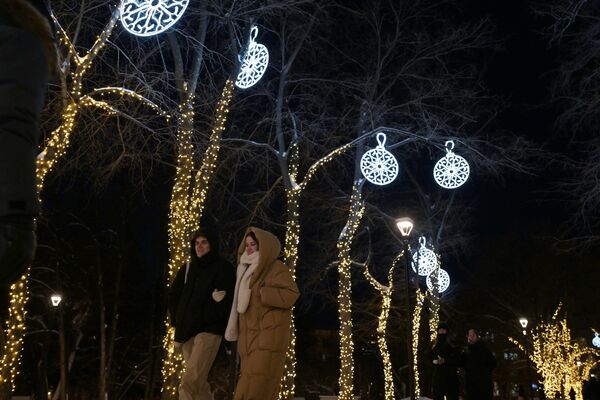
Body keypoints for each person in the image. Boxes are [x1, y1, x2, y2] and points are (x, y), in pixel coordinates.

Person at [0, 0, 55, 290]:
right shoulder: (20, 40)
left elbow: (12, 127)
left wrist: (16, 215)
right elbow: (14, 128)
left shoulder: (14, 39)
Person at [225, 227, 300, 400]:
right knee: (244, 391)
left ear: (264, 247)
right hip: (248, 339)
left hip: (269, 335)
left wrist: (263, 293)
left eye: (254, 245)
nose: (249, 248)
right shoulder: (244, 271)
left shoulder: (275, 267)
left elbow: (291, 293)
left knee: (257, 390)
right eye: (247, 245)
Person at [169, 228, 235, 400]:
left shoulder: (224, 268)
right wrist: (177, 319)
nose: (199, 246)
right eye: (196, 243)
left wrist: (202, 318)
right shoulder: (187, 269)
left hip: (209, 332)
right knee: (199, 385)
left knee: (188, 384)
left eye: (204, 242)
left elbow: (225, 304)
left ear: (212, 244)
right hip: (186, 333)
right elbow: (173, 296)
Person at [459, 328, 496, 400]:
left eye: (473, 335)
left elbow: (493, 363)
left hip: (484, 385)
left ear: (477, 337)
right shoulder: (466, 352)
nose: (471, 337)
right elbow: (460, 363)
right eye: (469, 335)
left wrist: (485, 373)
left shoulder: (484, 350)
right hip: (471, 385)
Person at [430, 322, 459, 400]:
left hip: (450, 376)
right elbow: (428, 357)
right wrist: (433, 362)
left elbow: (457, 358)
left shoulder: (452, 344)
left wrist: (445, 360)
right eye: (440, 330)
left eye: (444, 330)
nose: (442, 332)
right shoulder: (434, 345)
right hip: (438, 377)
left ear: (447, 331)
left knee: (452, 396)